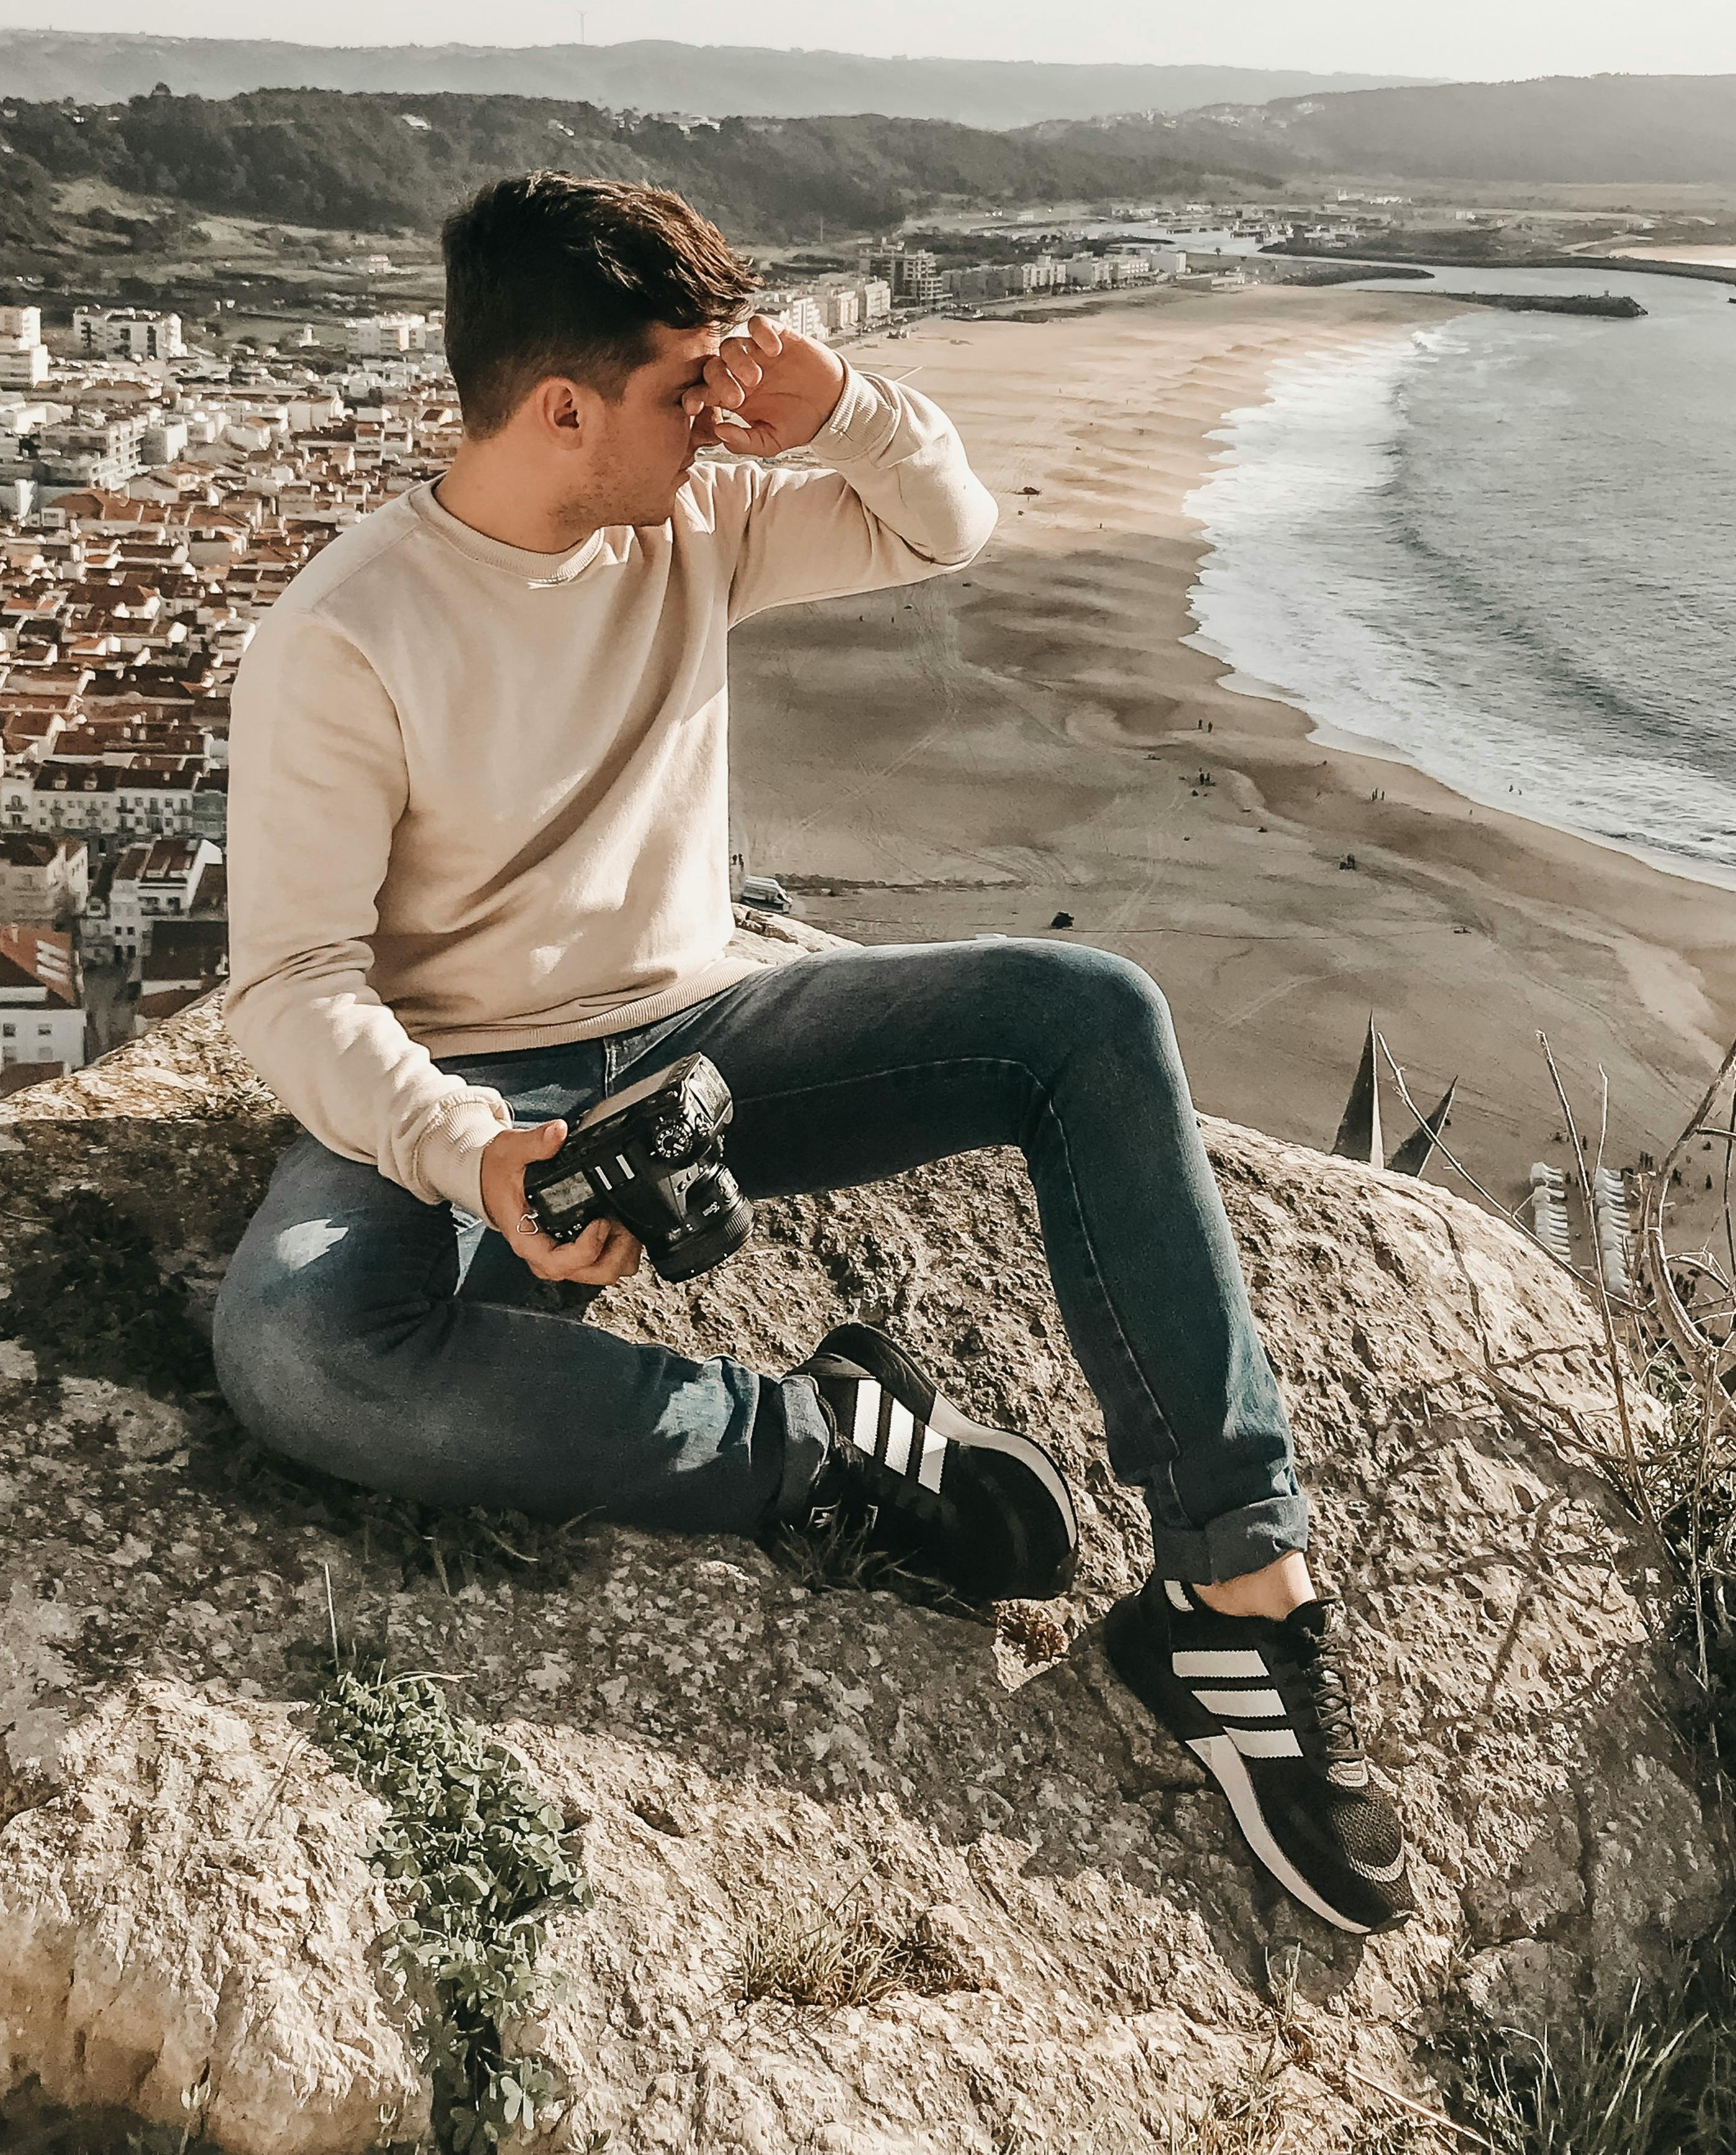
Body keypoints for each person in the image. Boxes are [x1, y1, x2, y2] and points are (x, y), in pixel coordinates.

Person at [215, 172, 1410, 1933]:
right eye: (684, 389)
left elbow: (949, 525)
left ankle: (1236, 1599)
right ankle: (829, 1448)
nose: (719, 419)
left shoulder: (692, 525)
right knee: (301, 1352)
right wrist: (478, 1155)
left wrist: (839, 406)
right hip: (486, 1087)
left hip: (712, 1037)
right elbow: (291, 991)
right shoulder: (345, 633)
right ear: (561, 409)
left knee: (1092, 1016)